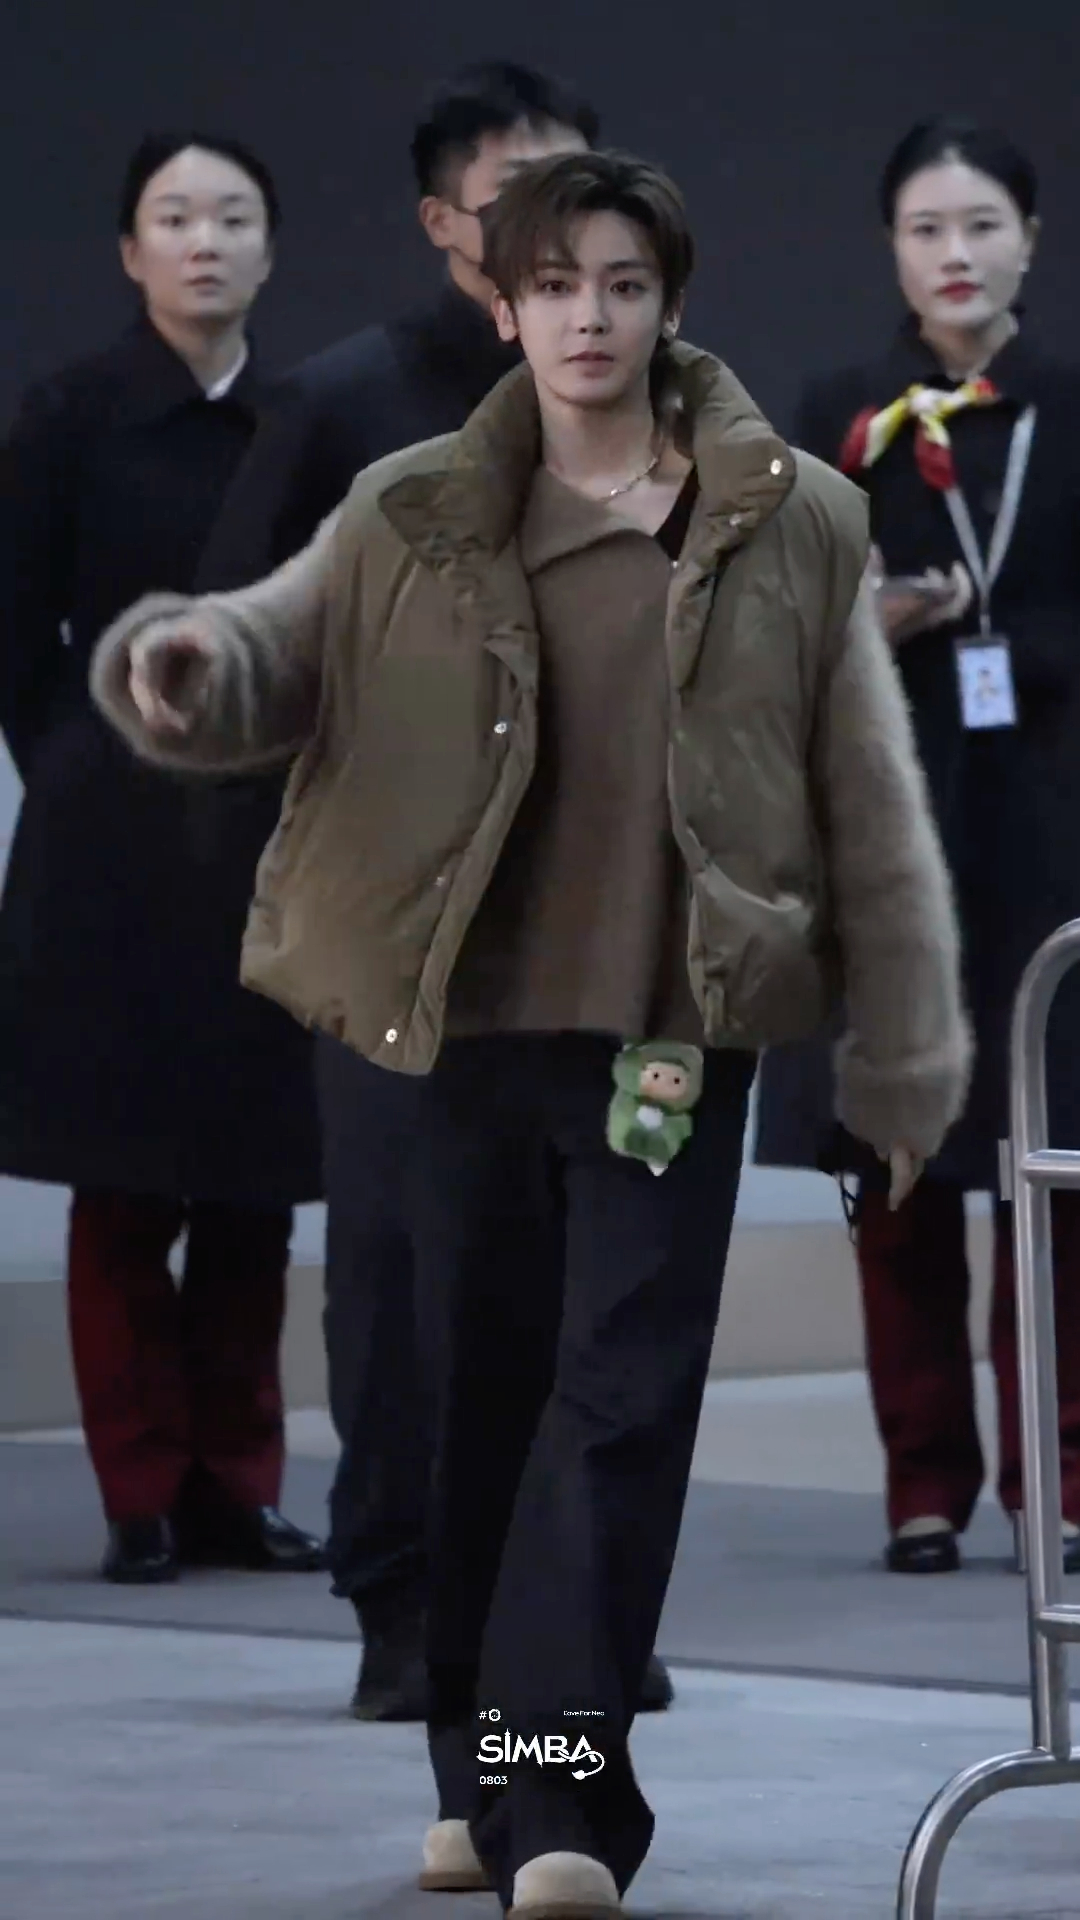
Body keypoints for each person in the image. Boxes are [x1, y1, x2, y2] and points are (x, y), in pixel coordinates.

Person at [91, 147, 967, 1917]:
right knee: (478, 1410)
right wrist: (183, 665)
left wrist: (903, 1052)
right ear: (503, 306)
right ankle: (481, 1781)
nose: (589, 318)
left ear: (669, 303)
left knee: (621, 1410)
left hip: (675, 1037)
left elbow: (869, 798)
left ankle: (558, 1800)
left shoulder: (793, 515)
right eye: (555, 285)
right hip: (465, 1033)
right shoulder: (414, 505)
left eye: (623, 285)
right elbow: (275, 652)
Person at [197, 62, 698, 1724]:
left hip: (595, 930)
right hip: (404, 933)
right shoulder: (349, 402)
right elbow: (244, 649)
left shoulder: (661, 407)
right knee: (405, 1278)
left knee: (586, 1289)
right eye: (516, 201)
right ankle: (407, 1606)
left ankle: (571, 1624)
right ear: (442, 223)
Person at [756, 117, 1080, 1578]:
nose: (956, 254)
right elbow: (769, 626)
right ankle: (923, 1483)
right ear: (891, 246)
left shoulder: (1071, 401)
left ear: (1031, 239)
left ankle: (1056, 1478)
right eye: (926, 229)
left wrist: (1025, 638)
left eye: (982, 225)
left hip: (1050, 824)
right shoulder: (838, 409)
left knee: (1048, 1167)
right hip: (889, 818)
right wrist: (869, 623)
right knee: (895, 1168)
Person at [0, 133, 323, 1584]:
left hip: (266, 838)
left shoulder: (304, 421)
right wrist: (78, 765)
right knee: (123, 1182)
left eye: (233, 217)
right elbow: (16, 633)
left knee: (254, 1180)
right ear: (131, 252)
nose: (205, 242)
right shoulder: (71, 413)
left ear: (269, 249)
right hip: (110, 854)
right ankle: (137, 1489)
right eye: (175, 218)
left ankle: (234, 1485)